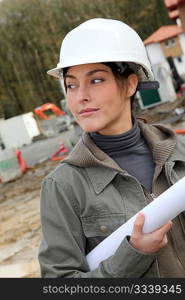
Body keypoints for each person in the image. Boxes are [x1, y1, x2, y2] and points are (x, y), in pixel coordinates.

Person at [38, 18, 185, 278]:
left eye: (95, 80)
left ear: (129, 84)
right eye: (71, 84)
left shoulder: (180, 152)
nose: (80, 96)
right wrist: (132, 256)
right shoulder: (63, 186)